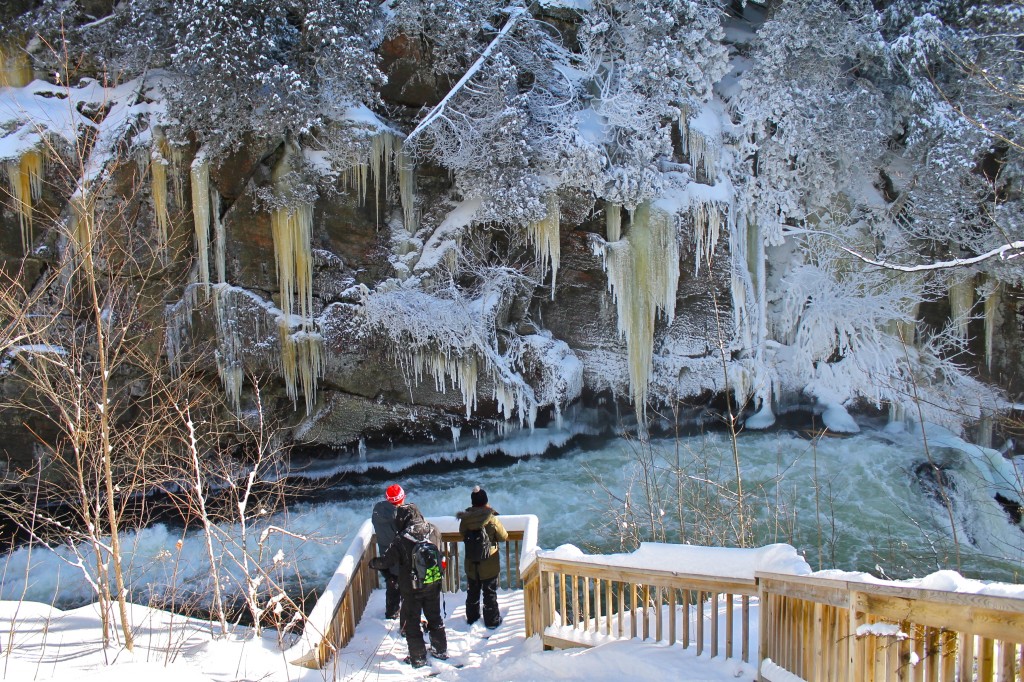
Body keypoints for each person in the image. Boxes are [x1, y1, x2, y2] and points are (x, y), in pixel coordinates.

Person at [369, 503, 448, 668]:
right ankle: (440, 650)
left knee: (412, 623)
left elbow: (387, 561)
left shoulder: (402, 539)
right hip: (432, 583)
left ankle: (418, 657)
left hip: (411, 588)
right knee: (434, 617)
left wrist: (373, 563)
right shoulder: (434, 530)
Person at [456, 486, 508, 629]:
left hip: (471, 562)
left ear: (472, 502)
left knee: (472, 591)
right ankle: (492, 621)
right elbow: (504, 536)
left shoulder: (465, 519)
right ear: (486, 501)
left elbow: (462, 533)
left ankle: (472, 619)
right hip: (489, 563)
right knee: (489, 592)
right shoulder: (491, 519)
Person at [371, 483, 405, 619]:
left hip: (385, 554)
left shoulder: (377, 510)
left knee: (392, 584)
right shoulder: (399, 516)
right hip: (400, 555)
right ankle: (406, 614)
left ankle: (391, 613)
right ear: (402, 498)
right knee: (406, 585)